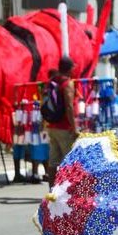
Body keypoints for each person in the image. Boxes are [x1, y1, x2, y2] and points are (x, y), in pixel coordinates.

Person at [45, 56, 77, 190]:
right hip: (64, 127)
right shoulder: (67, 83)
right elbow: (69, 107)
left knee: (53, 161)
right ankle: (68, 190)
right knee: (69, 160)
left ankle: (52, 190)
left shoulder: (52, 81)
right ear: (70, 68)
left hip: (52, 125)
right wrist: (74, 127)